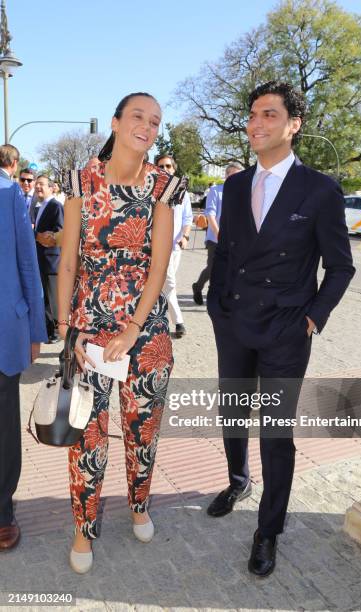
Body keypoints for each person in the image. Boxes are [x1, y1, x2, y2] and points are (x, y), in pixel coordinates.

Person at [206, 81, 355, 577]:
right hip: (234, 324)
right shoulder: (233, 185)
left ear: (294, 125)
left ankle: (268, 530)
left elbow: (340, 267)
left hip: (286, 332)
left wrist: (314, 316)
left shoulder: (320, 190)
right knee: (232, 411)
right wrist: (216, 307)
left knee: (275, 432)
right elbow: (225, 253)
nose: (256, 123)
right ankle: (236, 479)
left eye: (269, 114)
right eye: (252, 114)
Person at [58, 92, 186, 574]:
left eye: (155, 121)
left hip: (146, 331)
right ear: (115, 122)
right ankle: (83, 527)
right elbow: (68, 260)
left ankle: (138, 503)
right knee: (86, 433)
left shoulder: (164, 187)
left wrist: (133, 329)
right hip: (89, 330)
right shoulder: (80, 182)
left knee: (142, 428)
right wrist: (67, 330)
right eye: (138, 116)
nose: (148, 126)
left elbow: (157, 266)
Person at [0, 145, 47, 551]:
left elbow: (27, 262)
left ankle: (2, 511)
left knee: (2, 421)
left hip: (2, 328)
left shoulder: (9, 192)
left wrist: (35, 329)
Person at [192, 162, 243, 305]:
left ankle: (218, 296)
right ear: (226, 176)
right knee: (213, 268)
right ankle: (198, 286)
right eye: (232, 175)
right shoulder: (216, 191)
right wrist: (219, 235)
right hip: (216, 239)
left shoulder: (244, 193)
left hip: (235, 240)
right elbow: (210, 215)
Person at [157, 154, 193, 338]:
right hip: (155, 248)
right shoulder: (151, 190)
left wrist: (185, 236)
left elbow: (187, 218)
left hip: (175, 247)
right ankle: (178, 322)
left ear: (174, 168)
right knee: (168, 283)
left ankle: (159, 320)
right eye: (161, 166)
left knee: (164, 284)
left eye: (168, 166)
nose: (165, 169)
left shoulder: (182, 192)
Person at [34, 175, 64, 343]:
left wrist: (46, 237)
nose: (38, 186)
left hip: (52, 261)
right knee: (44, 298)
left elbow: (60, 231)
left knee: (53, 299)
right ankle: (48, 331)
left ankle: (57, 332)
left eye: (42, 184)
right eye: (37, 184)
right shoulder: (40, 207)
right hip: (41, 260)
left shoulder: (56, 206)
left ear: (52, 188)